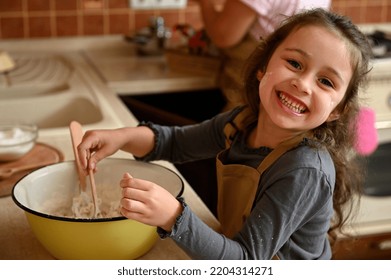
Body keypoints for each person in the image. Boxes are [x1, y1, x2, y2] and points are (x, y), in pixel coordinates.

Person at [77, 9, 372, 259]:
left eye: (325, 82)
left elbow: (244, 262)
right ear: (263, 66)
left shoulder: (304, 170)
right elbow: (175, 143)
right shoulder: (241, 123)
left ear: (337, 110)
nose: (303, 84)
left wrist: (174, 217)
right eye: (294, 64)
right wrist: (122, 137)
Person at [195, 0, 331, 111]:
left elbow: (223, 36)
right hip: (287, 92)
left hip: (248, 87)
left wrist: (205, 3)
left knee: (238, 130)